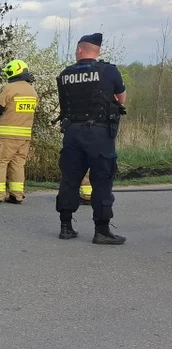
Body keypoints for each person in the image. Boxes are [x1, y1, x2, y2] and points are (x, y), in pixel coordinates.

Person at [55, 32, 127, 244]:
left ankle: (66, 227)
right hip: (99, 134)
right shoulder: (109, 71)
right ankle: (102, 231)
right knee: (102, 180)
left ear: (79, 50)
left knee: (70, 178)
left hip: (72, 132)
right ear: (98, 51)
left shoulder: (65, 74)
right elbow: (121, 99)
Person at [0, 60, 39, 204]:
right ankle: (16, 194)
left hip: (6, 135)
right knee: (18, 164)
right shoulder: (32, 91)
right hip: (24, 137)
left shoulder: (10, 88)